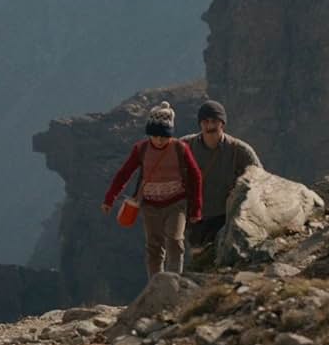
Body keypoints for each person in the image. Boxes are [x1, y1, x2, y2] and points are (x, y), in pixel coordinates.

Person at [102, 101, 203, 277]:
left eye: (163, 136)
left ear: (170, 134)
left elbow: (196, 176)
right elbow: (124, 173)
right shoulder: (141, 149)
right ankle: (155, 284)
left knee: (175, 240)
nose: (158, 140)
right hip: (150, 205)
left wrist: (196, 208)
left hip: (176, 203)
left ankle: (173, 282)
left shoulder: (180, 148)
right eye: (154, 136)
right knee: (154, 247)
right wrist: (110, 198)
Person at [182, 99, 261, 249]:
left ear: (222, 123)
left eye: (214, 121)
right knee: (199, 259)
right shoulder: (185, 146)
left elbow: (261, 180)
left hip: (225, 218)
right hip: (196, 219)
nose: (210, 125)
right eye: (205, 121)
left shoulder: (239, 150)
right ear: (200, 123)